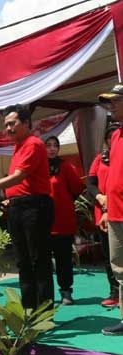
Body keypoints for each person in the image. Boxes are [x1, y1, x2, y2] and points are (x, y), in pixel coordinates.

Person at [0, 104, 54, 310]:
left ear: (26, 123)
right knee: (23, 262)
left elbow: (18, 177)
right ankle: (28, 309)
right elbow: (20, 182)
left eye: (12, 123)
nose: (8, 129)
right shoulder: (18, 147)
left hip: (35, 208)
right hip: (19, 207)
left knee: (37, 260)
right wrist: (11, 199)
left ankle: (43, 312)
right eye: (6, 125)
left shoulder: (32, 144)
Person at [45, 136, 84, 306]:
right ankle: (46, 296)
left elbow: (77, 188)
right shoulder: (36, 167)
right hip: (41, 222)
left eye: (55, 146)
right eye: (48, 145)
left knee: (64, 259)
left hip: (62, 221)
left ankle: (66, 291)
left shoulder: (67, 166)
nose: (52, 149)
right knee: (42, 261)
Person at [97, 84, 123, 335]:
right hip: (115, 213)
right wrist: (106, 209)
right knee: (120, 268)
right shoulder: (115, 137)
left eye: (115, 101)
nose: (111, 106)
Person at [88, 125, 120, 307]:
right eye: (108, 137)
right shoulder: (100, 159)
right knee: (110, 255)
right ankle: (114, 292)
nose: (111, 140)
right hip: (103, 213)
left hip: (118, 211)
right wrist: (100, 196)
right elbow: (91, 183)